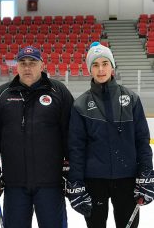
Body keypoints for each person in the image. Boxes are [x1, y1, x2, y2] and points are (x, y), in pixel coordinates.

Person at [0, 46, 74, 228]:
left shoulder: (59, 92)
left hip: (50, 183)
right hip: (14, 183)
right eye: (23, 63)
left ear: (42, 65)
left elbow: (70, 134)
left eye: (32, 63)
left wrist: (70, 168)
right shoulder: (2, 94)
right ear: (17, 66)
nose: (27, 67)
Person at [66, 42, 154, 228]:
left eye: (105, 63)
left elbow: (142, 141)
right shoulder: (80, 105)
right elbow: (76, 148)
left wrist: (146, 173)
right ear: (89, 69)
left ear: (112, 66)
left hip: (127, 179)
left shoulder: (131, 99)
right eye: (95, 65)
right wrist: (76, 182)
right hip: (94, 181)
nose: (101, 69)